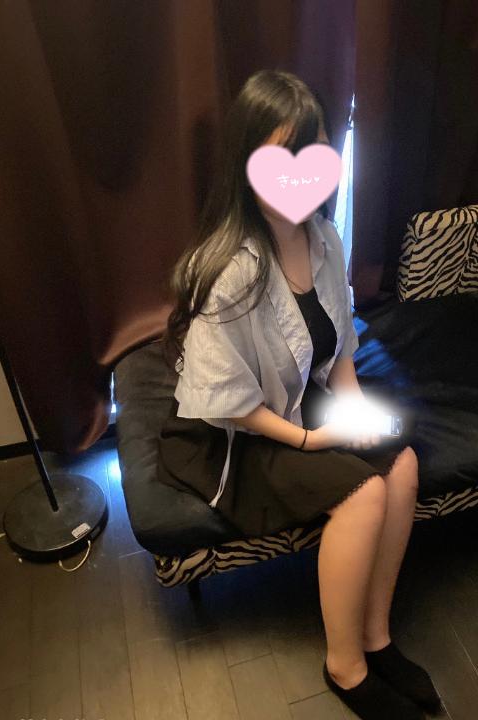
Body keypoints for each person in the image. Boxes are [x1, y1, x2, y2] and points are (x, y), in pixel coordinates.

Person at [159, 69, 442, 720]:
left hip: (294, 397)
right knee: (363, 494)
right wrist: (315, 439)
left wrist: (354, 412)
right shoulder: (227, 270)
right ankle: (345, 666)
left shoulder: (323, 237)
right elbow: (231, 402)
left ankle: (377, 638)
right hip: (231, 433)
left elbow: (338, 348)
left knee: (401, 464)